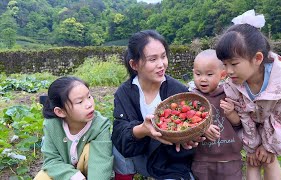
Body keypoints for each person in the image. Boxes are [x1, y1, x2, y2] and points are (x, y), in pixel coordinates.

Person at [215, 10, 281, 180]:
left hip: (277, 124)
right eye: (225, 64)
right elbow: (243, 113)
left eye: (234, 64)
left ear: (257, 58)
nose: (228, 71)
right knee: (252, 160)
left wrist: (269, 147)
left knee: (269, 159)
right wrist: (252, 146)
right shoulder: (234, 84)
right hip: (252, 123)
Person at [111, 29, 198, 179]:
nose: (161, 64)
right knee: (116, 143)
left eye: (163, 56)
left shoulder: (178, 91)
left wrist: (187, 137)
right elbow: (121, 134)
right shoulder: (124, 93)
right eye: (153, 59)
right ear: (134, 64)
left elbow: (190, 125)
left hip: (170, 161)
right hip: (139, 155)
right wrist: (141, 130)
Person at [34, 76, 113, 180]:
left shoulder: (100, 125)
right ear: (60, 112)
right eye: (80, 102)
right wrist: (73, 176)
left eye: (89, 97)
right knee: (42, 177)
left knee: (89, 149)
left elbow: (101, 164)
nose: (89, 104)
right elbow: (51, 160)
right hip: (64, 174)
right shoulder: (52, 124)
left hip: (92, 172)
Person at [191, 49, 243, 180]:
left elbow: (238, 123)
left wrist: (231, 113)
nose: (203, 79)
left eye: (209, 74)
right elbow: (188, 125)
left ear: (223, 75)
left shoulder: (229, 94)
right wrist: (203, 128)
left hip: (230, 158)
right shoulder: (192, 97)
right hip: (202, 159)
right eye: (198, 74)